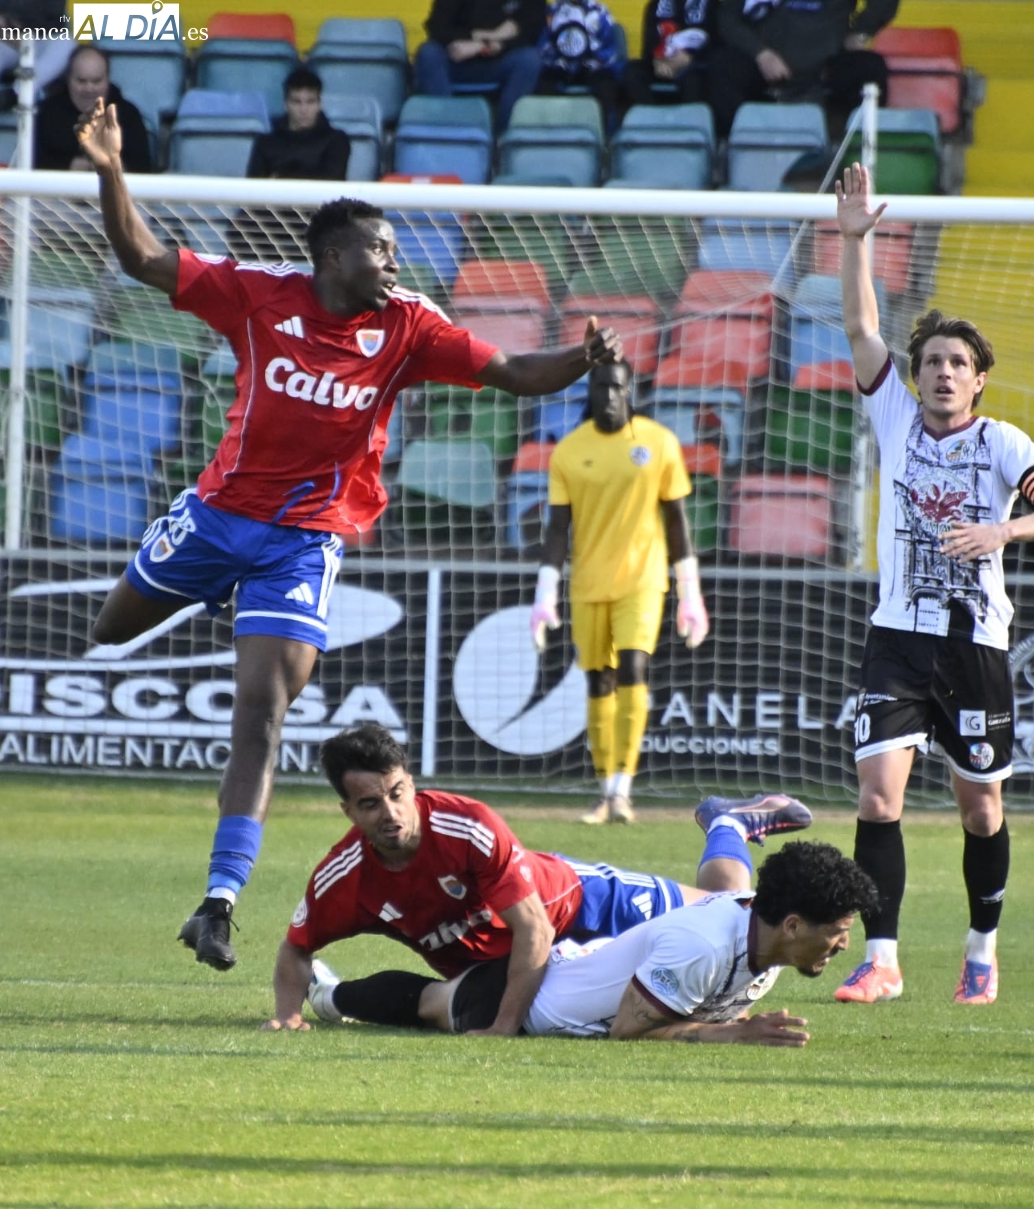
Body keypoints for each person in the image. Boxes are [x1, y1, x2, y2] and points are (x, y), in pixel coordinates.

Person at [73, 97, 623, 975]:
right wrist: (109, 167)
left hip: (304, 539)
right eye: (381, 251)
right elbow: (142, 258)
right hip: (217, 516)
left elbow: (517, 371)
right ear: (334, 256)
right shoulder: (259, 297)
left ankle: (217, 903)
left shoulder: (406, 326)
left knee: (262, 712)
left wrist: (581, 358)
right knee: (109, 628)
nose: (394, 265)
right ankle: (215, 590)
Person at [831, 164, 1034, 1007]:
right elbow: (862, 326)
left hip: (975, 642)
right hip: (897, 638)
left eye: (958, 362)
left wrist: (1002, 529)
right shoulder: (894, 415)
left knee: (980, 812)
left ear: (979, 378)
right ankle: (884, 959)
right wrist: (855, 238)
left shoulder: (1006, 441)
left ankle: (981, 949)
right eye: (933, 359)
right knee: (877, 800)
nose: (942, 372)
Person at [263, 722, 814, 1034]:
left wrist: (504, 1027)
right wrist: (287, 1016)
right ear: (347, 812)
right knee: (444, 1006)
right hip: (502, 962)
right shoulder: (346, 875)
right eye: (370, 803)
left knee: (728, 908)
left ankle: (726, 823)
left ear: (411, 782)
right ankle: (334, 999)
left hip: (583, 904)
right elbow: (296, 948)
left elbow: (534, 930)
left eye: (398, 792)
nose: (391, 812)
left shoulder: (468, 827)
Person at [531, 359, 709, 826]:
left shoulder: (658, 443)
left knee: (633, 666)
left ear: (630, 391)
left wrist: (690, 593)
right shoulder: (569, 451)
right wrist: (544, 593)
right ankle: (605, 788)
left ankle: (623, 789)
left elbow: (677, 521)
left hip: (644, 581)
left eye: (617, 388)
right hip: (588, 584)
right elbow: (557, 529)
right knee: (598, 680)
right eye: (601, 387)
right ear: (590, 392)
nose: (609, 396)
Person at [524, 840, 879, 1043]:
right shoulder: (703, 947)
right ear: (793, 926)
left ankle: (728, 828)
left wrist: (747, 1025)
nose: (844, 944)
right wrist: (736, 1036)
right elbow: (627, 1032)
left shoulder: (769, 941)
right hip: (533, 1005)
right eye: (837, 931)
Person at [705, 0, 897, 139]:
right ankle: (731, 157)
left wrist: (863, 30)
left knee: (871, 69)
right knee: (723, 66)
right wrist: (760, 53)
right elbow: (727, 17)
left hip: (830, 61)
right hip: (766, 62)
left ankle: (856, 161)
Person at [415, 0, 545, 134]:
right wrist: (479, 37)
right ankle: (448, 132)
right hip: (456, 59)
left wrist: (484, 46)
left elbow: (530, 32)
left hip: (498, 59)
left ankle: (503, 138)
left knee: (529, 59)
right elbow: (437, 26)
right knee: (428, 53)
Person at [0, 3, 74, 135]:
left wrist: (10, 23)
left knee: (66, 44)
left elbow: (56, 20)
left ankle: (16, 93)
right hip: (2, 39)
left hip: (40, 41)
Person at [32, 43, 149, 173]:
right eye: (81, 81)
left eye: (96, 81)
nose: (89, 89)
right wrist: (68, 166)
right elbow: (31, 163)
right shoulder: (46, 114)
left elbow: (143, 169)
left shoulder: (128, 116)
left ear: (107, 79)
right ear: (68, 79)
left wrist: (115, 167)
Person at [246, 68, 351, 183]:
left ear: (320, 104)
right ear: (286, 104)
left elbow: (332, 182)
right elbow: (253, 190)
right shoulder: (265, 143)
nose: (304, 109)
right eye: (297, 102)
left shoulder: (337, 141)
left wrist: (280, 177)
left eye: (310, 102)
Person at [536, 0, 626, 124]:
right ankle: (544, 131)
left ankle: (607, 136)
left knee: (606, 86)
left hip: (593, 65)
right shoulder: (552, 12)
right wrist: (555, 59)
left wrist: (595, 57)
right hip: (560, 65)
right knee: (545, 84)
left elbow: (610, 47)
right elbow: (543, 46)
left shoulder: (599, 11)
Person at [621, 0, 715, 111]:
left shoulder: (712, 5)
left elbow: (716, 44)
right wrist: (658, 62)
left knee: (694, 79)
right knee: (632, 72)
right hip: (661, 63)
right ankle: (650, 120)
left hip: (695, 64)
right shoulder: (655, 5)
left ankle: (688, 125)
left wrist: (690, 59)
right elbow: (648, 47)